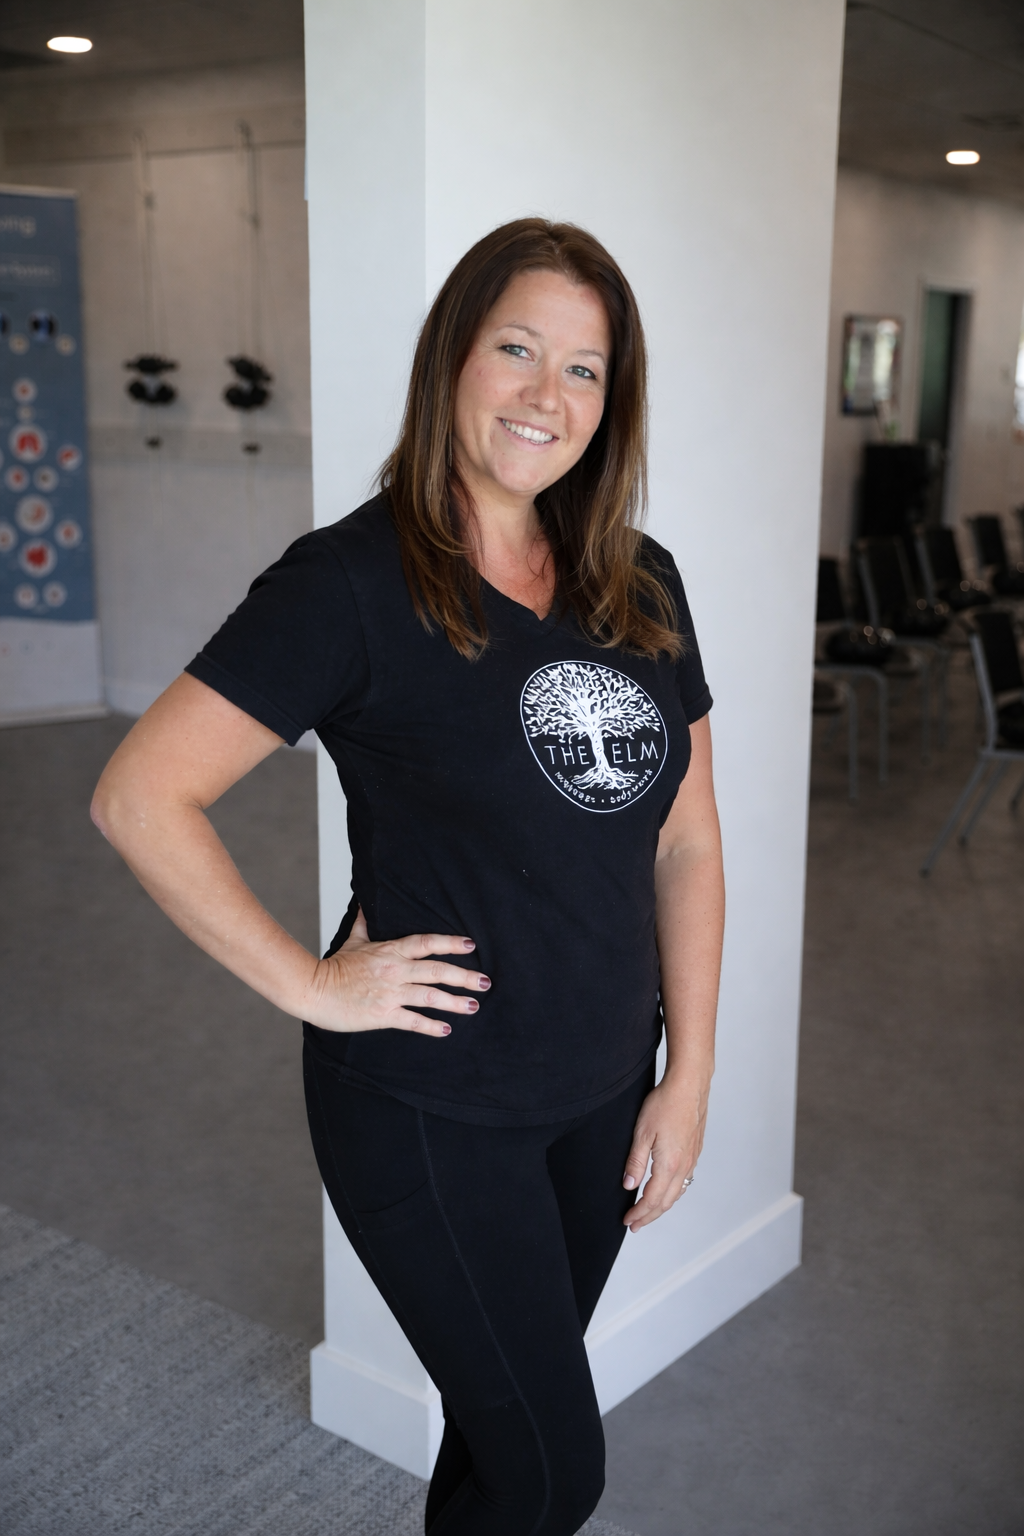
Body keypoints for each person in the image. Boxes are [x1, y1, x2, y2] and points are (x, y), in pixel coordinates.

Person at [92, 218, 725, 1536]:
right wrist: (313, 986)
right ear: (453, 359)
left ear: (614, 402)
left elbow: (684, 841)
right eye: (518, 350)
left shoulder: (641, 584)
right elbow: (142, 793)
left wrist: (691, 1076)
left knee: (501, 1451)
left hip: (603, 1097)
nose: (549, 396)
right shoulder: (352, 586)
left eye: (587, 370)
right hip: (437, 1109)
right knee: (556, 1472)